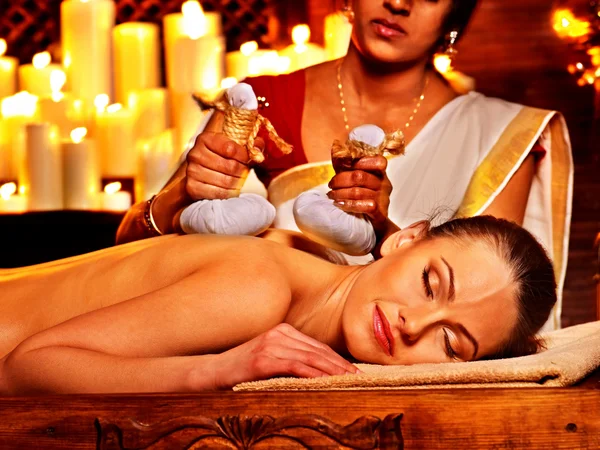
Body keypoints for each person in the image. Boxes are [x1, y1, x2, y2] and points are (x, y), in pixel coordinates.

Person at [116, 0, 572, 330]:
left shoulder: (500, 133)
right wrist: (183, 194)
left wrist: (383, 231)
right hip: (258, 341)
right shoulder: (260, 103)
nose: (398, 4)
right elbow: (127, 251)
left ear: (453, 18)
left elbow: (490, 317)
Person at [0, 216, 556, 394]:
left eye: (451, 342)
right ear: (405, 239)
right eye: (431, 284)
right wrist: (223, 368)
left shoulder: (304, 289)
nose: (416, 322)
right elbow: (27, 367)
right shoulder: (260, 288)